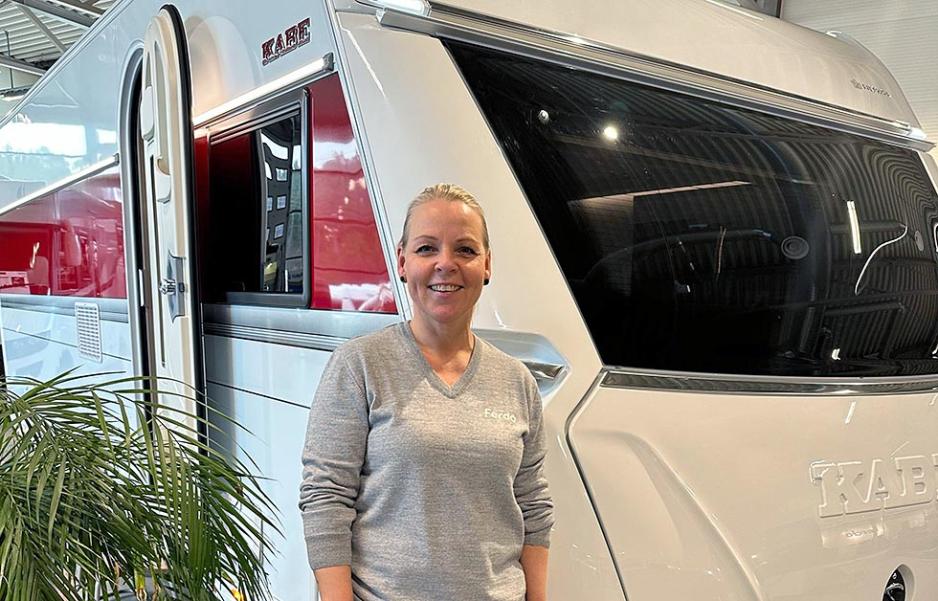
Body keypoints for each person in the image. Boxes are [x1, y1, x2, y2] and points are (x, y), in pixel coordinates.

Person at [299, 183, 554, 601]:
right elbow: (326, 497)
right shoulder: (359, 365)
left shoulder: (517, 381)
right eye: (426, 248)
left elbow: (534, 505)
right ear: (403, 261)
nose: (445, 264)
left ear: (487, 265)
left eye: (465, 250)